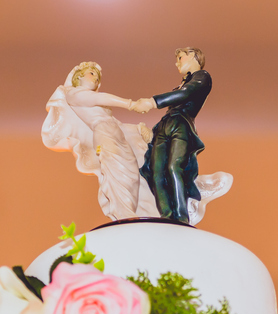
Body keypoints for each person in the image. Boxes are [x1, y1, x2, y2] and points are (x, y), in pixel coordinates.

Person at [42, 62, 155, 221]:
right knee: (117, 172)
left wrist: (137, 130)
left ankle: (133, 214)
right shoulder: (74, 94)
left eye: (97, 76)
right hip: (105, 135)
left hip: (116, 134)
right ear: (79, 76)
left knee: (132, 175)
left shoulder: (93, 102)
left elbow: (117, 124)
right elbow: (100, 97)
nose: (96, 79)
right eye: (92, 73)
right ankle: (125, 215)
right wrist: (131, 104)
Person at [131, 48, 212, 224]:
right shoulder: (182, 83)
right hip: (165, 125)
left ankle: (181, 217)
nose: (178, 63)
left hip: (180, 125)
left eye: (180, 58)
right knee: (155, 171)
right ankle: (166, 215)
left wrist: (152, 102)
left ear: (192, 56)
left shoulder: (202, 77)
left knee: (174, 167)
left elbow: (185, 94)